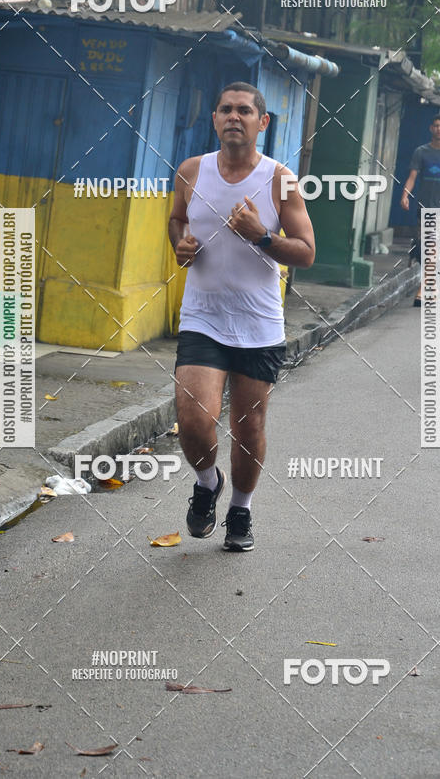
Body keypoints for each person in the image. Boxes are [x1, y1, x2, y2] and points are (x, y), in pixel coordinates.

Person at [168, 82, 315, 551]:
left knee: (248, 429)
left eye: (245, 110)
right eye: (226, 109)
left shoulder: (281, 180)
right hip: (202, 318)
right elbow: (176, 220)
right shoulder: (191, 171)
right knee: (193, 418)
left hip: (258, 325)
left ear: (262, 122)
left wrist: (262, 236)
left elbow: (307, 252)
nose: (235, 116)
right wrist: (180, 244)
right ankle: (208, 483)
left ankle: (241, 510)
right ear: (215, 118)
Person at [400, 114, 440, 305]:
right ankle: (430, 286)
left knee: (432, 248)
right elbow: (412, 176)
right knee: (427, 249)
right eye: (436, 125)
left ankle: (424, 290)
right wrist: (405, 195)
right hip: (424, 206)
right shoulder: (421, 152)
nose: (439, 129)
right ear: (431, 128)